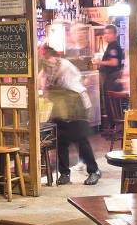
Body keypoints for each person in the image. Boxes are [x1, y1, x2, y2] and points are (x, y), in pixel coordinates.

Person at [43, 46, 101, 186]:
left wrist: (49, 81)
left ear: (54, 56)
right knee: (61, 140)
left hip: (77, 102)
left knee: (80, 139)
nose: (47, 61)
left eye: (47, 56)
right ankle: (64, 173)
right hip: (61, 104)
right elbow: (49, 87)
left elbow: (56, 78)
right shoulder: (49, 68)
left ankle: (94, 171)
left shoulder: (63, 64)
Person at [98, 24, 124, 132]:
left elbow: (114, 62)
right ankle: (114, 126)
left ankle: (116, 127)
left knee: (112, 103)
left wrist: (100, 62)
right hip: (110, 78)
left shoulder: (114, 46)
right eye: (105, 33)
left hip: (113, 79)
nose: (106, 36)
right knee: (110, 103)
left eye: (109, 33)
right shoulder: (111, 46)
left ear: (115, 34)